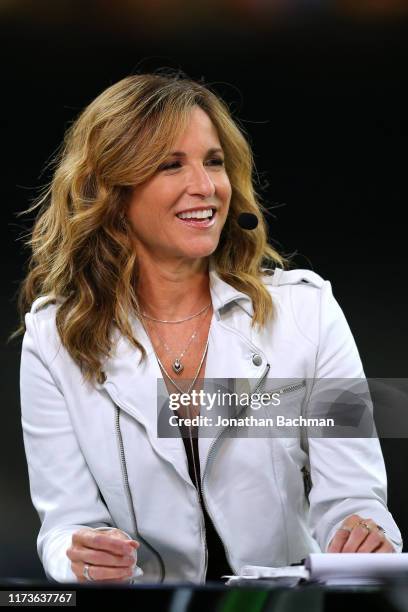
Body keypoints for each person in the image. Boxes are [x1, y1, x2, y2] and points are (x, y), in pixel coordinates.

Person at [14, 71, 401, 585]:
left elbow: (353, 495)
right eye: (171, 165)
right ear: (112, 189)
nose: (206, 186)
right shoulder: (54, 336)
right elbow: (65, 525)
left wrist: (362, 534)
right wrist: (81, 557)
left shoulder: (308, 312)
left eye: (213, 162)